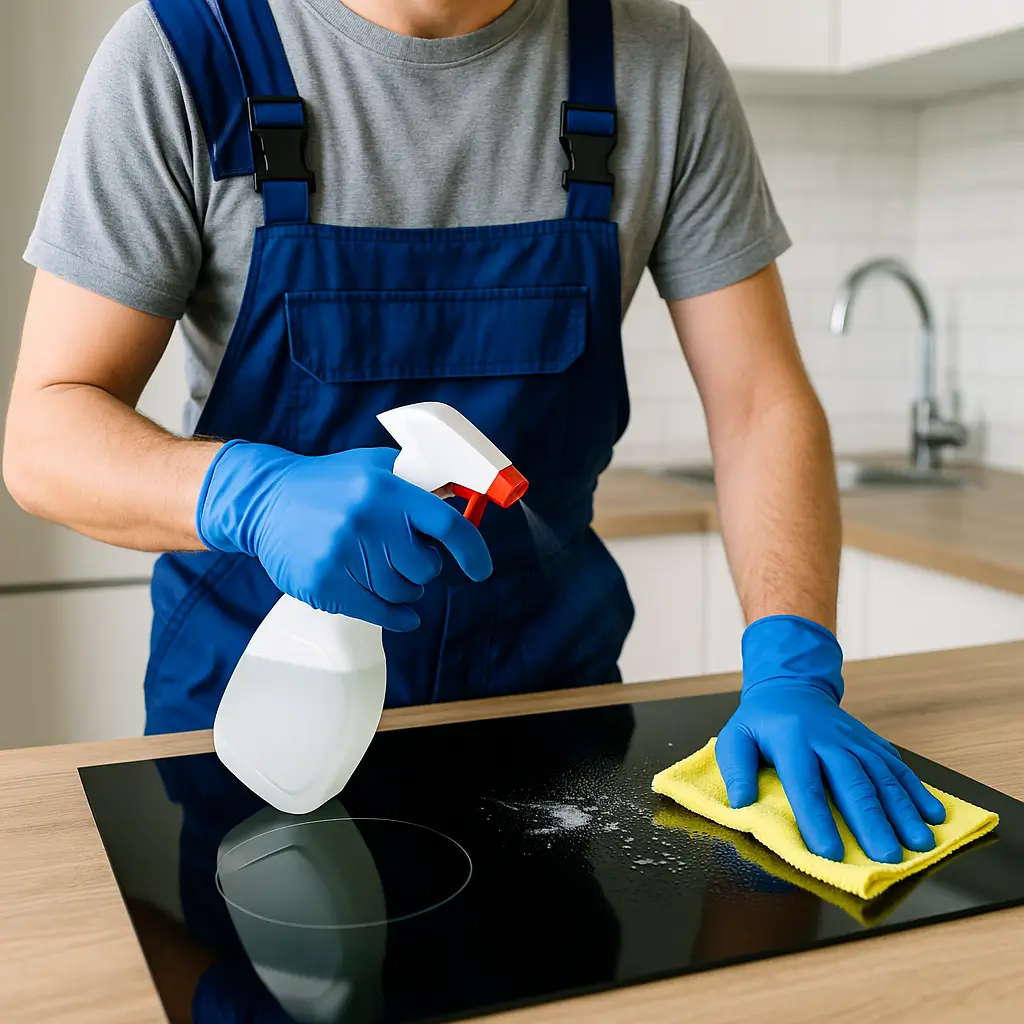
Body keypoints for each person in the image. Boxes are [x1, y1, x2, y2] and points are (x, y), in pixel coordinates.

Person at [3, 0, 945, 865]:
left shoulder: (653, 63)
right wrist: (251, 496)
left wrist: (793, 663)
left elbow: (758, 405)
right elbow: (45, 432)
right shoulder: (185, 55)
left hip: (547, 726)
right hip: (252, 723)